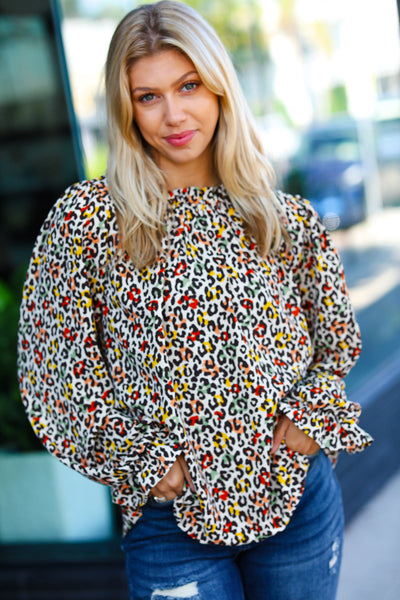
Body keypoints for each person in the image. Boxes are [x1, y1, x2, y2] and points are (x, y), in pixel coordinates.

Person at [18, 1, 373, 599]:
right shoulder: (88, 223)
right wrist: (145, 465)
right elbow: (54, 377)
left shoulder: (282, 219)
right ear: (125, 107)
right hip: (171, 520)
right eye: (148, 96)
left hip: (296, 499)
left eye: (189, 86)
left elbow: (335, 345)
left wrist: (308, 421)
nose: (173, 114)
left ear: (220, 89)